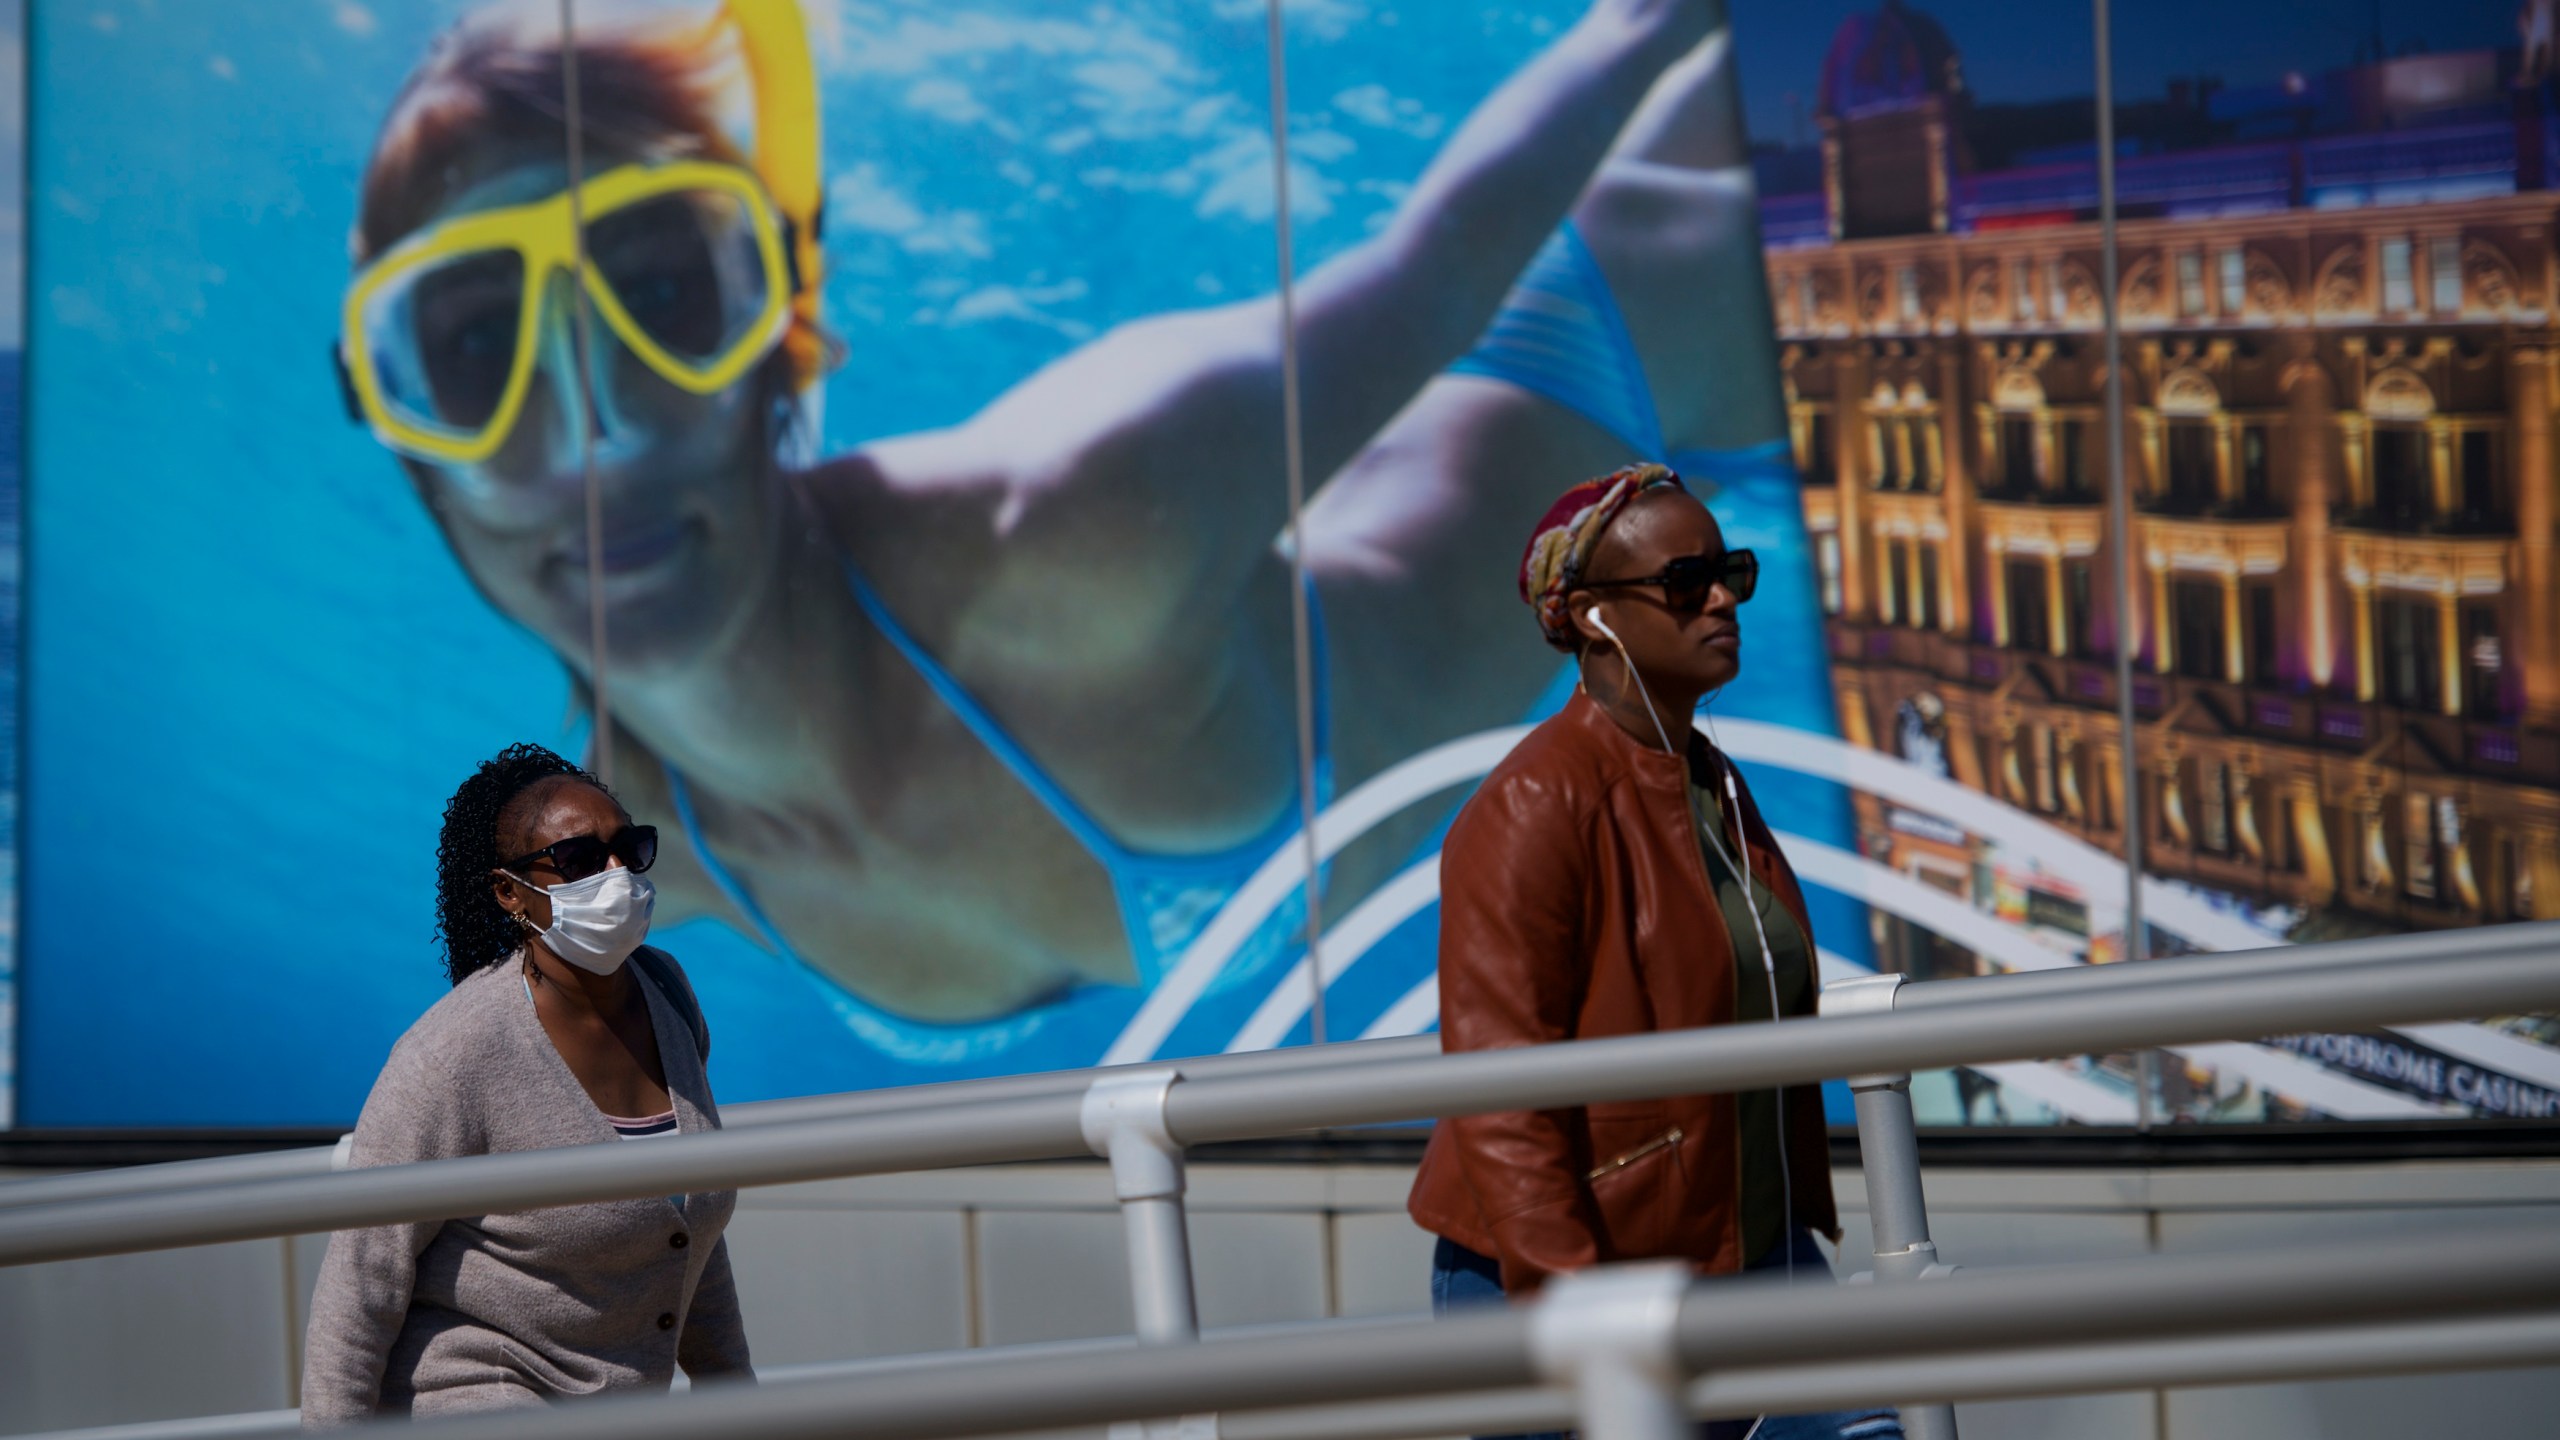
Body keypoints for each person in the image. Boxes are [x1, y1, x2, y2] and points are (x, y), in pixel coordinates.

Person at [338, 0, 1800, 1045]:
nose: (593, 429)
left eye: (662, 295)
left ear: (774, 342)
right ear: (415, 461)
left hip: (1621, 345)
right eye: (473, 353)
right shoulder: (653, 859)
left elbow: (1430, 269)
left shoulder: (1066, 524)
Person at [1405, 467, 1900, 1440]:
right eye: (1685, 582)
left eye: (1731, 572)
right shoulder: (1535, 804)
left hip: (1747, 1247)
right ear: (1592, 618)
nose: (1719, 598)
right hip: (1575, 1266)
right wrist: (1570, 1308)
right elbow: (1499, 1080)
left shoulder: (1707, 781)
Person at [300, 744, 752, 1424]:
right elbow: (360, 1284)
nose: (615, 874)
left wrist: (739, 1400)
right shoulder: (453, 1053)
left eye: (631, 849)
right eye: (576, 860)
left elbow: (687, 1235)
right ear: (511, 893)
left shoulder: (669, 996)